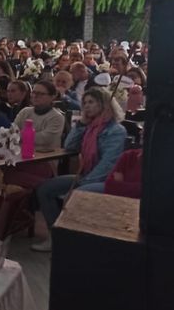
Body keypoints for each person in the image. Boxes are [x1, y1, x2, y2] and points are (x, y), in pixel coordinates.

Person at [32, 87, 126, 252]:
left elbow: (108, 164)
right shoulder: (90, 127)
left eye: (91, 102)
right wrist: (81, 124)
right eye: (85, 103)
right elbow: (69, 146)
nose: (87, 106)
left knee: (78, 193)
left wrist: (84, 182)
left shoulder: (115, 131)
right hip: (86, 175)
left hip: (107, 180)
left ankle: (75, 243)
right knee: (45, 189)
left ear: (103, 104)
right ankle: (56, 236)